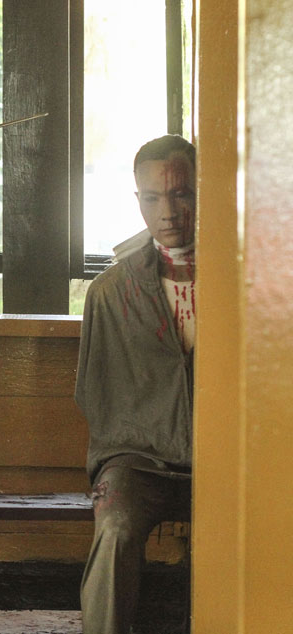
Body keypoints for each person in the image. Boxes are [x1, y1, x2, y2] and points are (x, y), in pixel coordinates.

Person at [75, 135, 197, 634]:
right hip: (140, 462)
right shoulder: (111, 292)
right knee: (116, 525)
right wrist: (138, 444)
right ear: (138, 201)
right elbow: (97, 397)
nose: (167, 212)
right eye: (152, 198)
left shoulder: (248, 278)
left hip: (232, 459)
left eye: (182, 194)